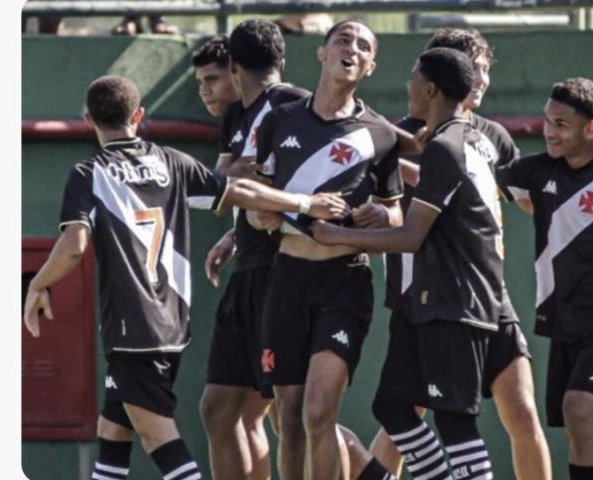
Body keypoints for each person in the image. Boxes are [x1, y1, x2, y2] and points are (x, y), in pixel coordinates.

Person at [22, 75, 348, 480]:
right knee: (114, 432)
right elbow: (241, 191)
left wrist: (38, 284)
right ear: (138, 116)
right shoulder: (172, 162)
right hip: (171, 326)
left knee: (158, 438)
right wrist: (303, 202)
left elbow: (74, 243)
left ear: (88, 120)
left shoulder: (89, 172)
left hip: (132, 328)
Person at [312, 47, 509, 480]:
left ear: (430, 89)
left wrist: (339, 235)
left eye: (413, 79)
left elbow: (410, 235)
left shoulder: (445, 146)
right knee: (392, 406)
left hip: (455, 302)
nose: (408, 87)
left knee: (455, 419)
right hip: (436, 301)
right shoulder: (468, 140)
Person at [369, 29, 552, 480]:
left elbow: (523, 195)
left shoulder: (489, 136)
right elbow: (391, 202)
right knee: (402, 415)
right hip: (422, 294)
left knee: (522, 409)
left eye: (486, 69)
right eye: (473, 68)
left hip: (485, 291)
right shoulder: (407, 131)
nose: (481, 79)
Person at [252, 19, 405, 480]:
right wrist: (270, 213)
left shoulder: (381, 134)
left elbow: (395, 215)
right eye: (342, 40)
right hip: (287, 276)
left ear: (372, 66)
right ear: (321, 52)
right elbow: (257, 202)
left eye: (363, 46)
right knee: (290, 415)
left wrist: (381, 217)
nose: (351, 49)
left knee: (319, 413)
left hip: (344, 281)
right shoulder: (281, 120)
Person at [493, 77, 593, 480]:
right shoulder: (539, 172)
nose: (549, 132)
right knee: (587, 429)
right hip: (565, 322)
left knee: (579, 409)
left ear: (591, 128)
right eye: (547, 121)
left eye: (561, 124)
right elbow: (469, 180)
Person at [197, 20, 310, 480]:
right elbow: (220, 188)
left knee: (297, 417)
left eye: (212, 77)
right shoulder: (236, 116)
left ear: (234, 66)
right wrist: (232, 233)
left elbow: (326, 168)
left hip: (284, 272)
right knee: (220, 408)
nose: (207, 88)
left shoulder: (293, 103)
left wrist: (265, 196)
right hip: (248, 268)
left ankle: (363, 469)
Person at [192, 34, 239, 119]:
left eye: (211, 80)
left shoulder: (267, 119)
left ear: (239, 73)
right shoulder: (232, 124)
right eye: (200, 83)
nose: (204, 92)